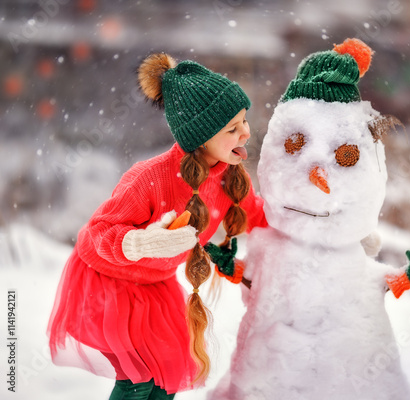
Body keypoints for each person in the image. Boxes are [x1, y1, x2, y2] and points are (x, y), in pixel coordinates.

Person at [47, 53, 267, 400]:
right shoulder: (149, 179)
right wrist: (140, 244)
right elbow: (93, 238)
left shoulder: (230, 178)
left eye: (244, 120)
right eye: (232, 128)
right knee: (138, 380)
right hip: (110, 283)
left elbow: (259, 216)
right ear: (200, 138)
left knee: (167, 377)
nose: (247, 132)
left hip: (154, 285)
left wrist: (317, 218)